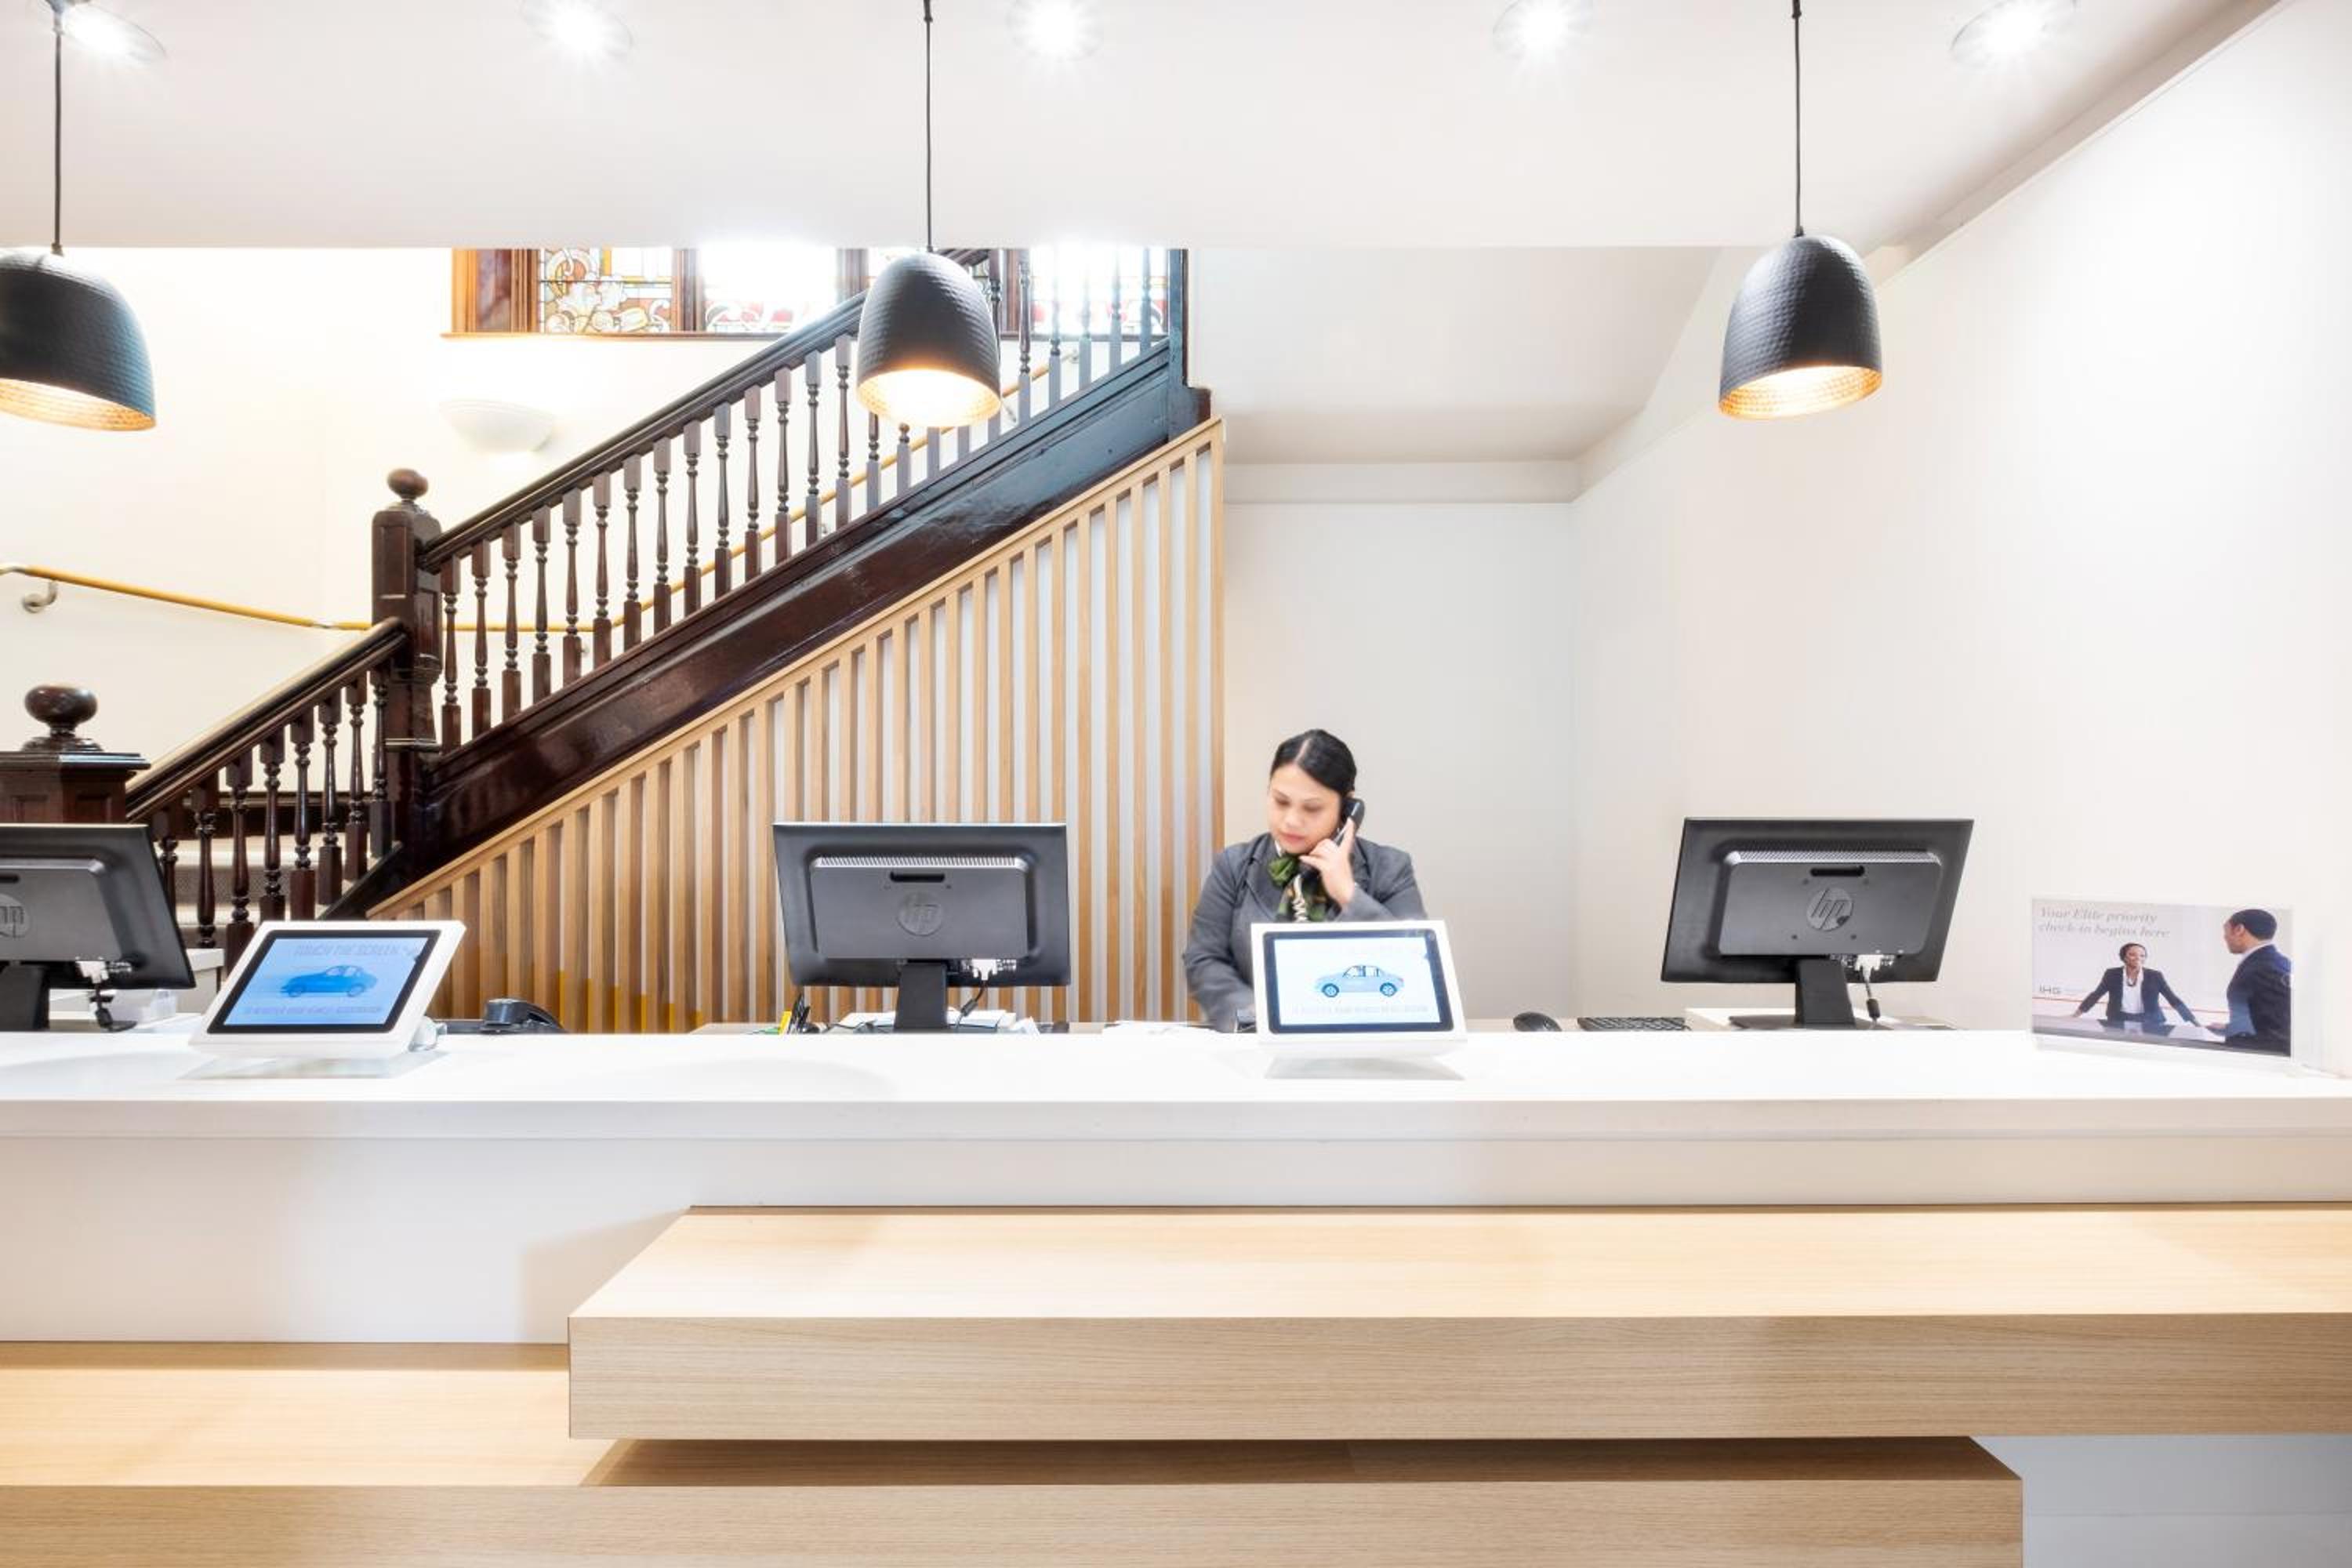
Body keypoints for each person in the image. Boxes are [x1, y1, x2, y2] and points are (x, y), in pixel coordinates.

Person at [1182, 729, 1425, 1031]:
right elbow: (1204, 960)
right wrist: (1258, 1016)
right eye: (1281, 801)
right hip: (1256, 1040)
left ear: (1347, 808)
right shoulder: (1233, 866)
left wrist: (1349, 895)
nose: (1291, 821)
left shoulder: (1391, 868)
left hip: (1360, 1040)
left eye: (1312, 808)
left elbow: (1416, 969)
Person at [2072, 942, 2198, 1030]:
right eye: (2133, 954)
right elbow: (2096, 995)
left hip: (2151, 1023)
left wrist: (2196, 1023)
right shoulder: (2112, 974)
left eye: (2142, 955)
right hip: (2118, 1022)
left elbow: (2173, 1000)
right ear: (2124, 957)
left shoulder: (2155, 976)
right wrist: (2075, 1016)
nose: (2138, 958)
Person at [2219, 908, 2292, 1048]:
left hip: (2256, 1056)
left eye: (2226, 931)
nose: (2225, 937)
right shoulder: (2274, 961)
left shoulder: (2265, 967)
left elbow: (2282, 1033)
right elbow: (2268, 1017)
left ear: (2239, 930)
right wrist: (2232, 1028)